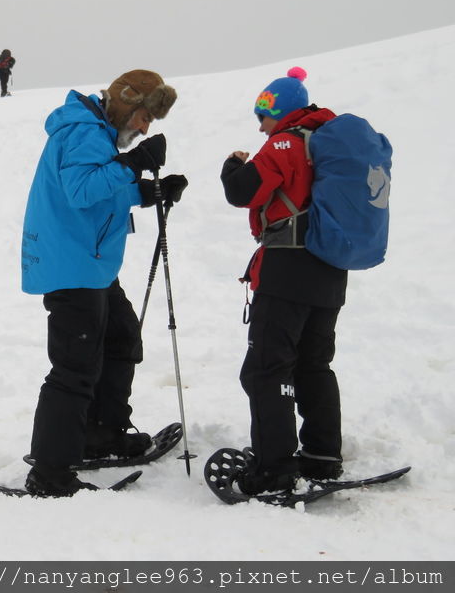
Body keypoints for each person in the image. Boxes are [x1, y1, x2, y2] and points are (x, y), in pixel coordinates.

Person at [20, 69, 186, 496]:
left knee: (121, 336)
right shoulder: (85, 131)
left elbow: (100, 189)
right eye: (145, 117)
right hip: (72, 266)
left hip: (88, 265)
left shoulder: (95, 133)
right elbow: (80, 189)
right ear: (127, 105)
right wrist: (133, 165)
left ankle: (101, 434)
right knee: (75, 367)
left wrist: (149, 192)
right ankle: (50, 473)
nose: (145, 127)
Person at [220, 67, 348, 494]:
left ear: (282, 110)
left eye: (264, 114)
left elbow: (243, 192)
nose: (260, 125)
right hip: (330, 270)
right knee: (314, 364)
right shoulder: (329, 142)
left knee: (266, 369)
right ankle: (322, 456)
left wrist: (231, 167)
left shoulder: (285, 142)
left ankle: (273, 468)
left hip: (287, 270)